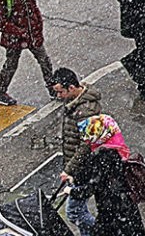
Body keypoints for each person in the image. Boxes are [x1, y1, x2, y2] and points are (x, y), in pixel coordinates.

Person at [63, 115, 145, 236]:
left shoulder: (102, 157)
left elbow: (92, 187)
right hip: (127, 211)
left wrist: (71, 191)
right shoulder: (117, 150)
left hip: (111, 215)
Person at [50, 67, 101, 236]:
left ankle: (102, 231)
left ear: (71, 88)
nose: (59, 96)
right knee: (78, 210)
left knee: (74, 212)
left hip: (83, 167)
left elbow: (85, 146)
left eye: (60, 92)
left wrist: (69, 169)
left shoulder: (85, 111)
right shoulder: (75, 103)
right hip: (79, 166)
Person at [0, 0, 54, 105]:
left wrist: (38, 28)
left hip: (31, 34)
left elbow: (34, 9)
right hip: (14, 38)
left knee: (44, 60)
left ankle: (52, 87)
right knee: (11, 64)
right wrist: (18, 32)